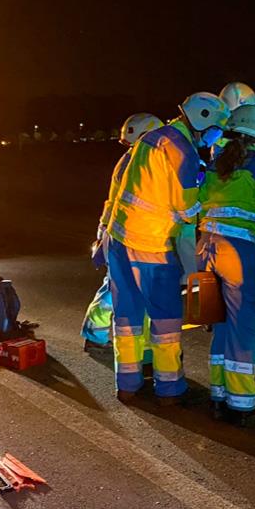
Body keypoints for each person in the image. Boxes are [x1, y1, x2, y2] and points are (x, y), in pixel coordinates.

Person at [103, 92, 229, 403]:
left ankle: (127, 385)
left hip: (119, 241)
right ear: (202, 119)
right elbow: (187, 210)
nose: (217, 134)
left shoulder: (154, 138)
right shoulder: (183, 151)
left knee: (127, 317)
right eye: (216, 127)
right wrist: (211, 189)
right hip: (153, 246)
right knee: (166, 320)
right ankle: (169, 389)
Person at [196, 104, 255, 423]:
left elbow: (200, 202)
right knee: (243, 325)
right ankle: (242, 401)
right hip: (240, 250)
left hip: (208, 246)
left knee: (219, 323)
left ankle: (219, 393)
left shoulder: (217, 163)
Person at [83, 113, 163, 351]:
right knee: (118, 288)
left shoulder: (128, 160)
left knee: (114, 286)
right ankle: (101, 335)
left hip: (116, 232)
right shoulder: (139, 163)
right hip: (129, 236)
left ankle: (95, 332)